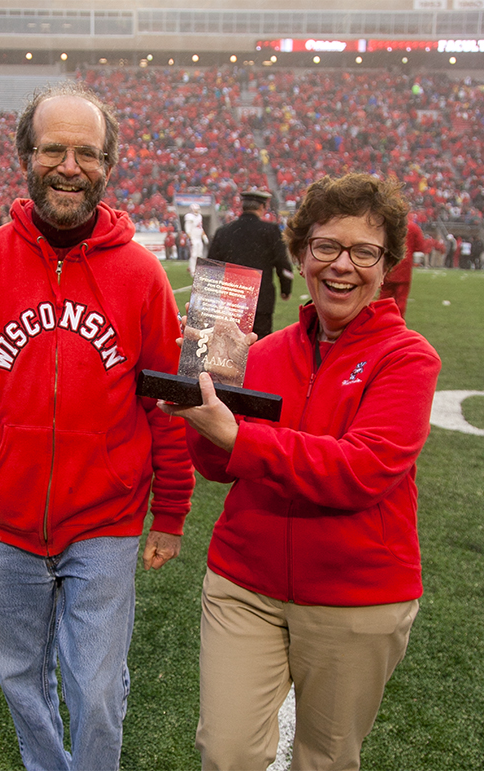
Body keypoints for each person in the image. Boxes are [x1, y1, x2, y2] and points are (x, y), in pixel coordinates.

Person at [0, 81, 195, 771]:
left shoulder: (143, 275)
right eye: (53, 148)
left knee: (96, 689)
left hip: (105, 523)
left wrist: (171, 512)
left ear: (108, 167)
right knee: (21, 681)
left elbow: (170, 407)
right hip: (3, 525)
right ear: (24, 155)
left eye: (85, 152)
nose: (69, 165)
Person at [159, 173, 441, 771]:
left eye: (363, 252)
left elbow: (360, 472)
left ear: (387, 264)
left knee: (326, 760)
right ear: (300, 254)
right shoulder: (261, 352)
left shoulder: (408, 358)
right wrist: (200, 399)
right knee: (227, 753)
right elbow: (215, 464)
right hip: (245, 584)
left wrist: (238, 434)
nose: (343, 266)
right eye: (325, 247)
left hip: (356, 597)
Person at [208, 189, 294, 338]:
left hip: (231, 301)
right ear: (262, 207)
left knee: (229, 346)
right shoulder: (271, 230)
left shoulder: (223, 231)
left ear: (242, 207)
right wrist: (286, 289)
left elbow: (211, 268)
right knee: (259, 344)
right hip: (261, 299)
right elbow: (283, 264)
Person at [379, 217, 427, 317]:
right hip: (404, 268)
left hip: (389, 265)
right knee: (401, 299)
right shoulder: (413, 227)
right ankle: (397, 323)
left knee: (383, 297)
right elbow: (420, 247)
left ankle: (378, 320)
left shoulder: (389, 225)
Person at [184, 202, 207, 275]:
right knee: (193, 255)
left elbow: (200, 228)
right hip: (193, 238)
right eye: (195, 210)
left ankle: (198, 270)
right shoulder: (189, 217)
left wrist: (204, 236)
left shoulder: (200, 216)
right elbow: (187, 230)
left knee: (199, 255)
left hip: (199, 238)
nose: (197, 211)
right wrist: (190, 239)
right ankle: (192, 270)